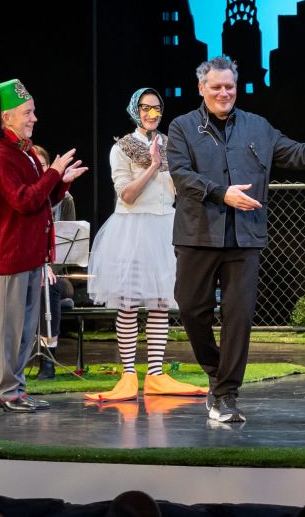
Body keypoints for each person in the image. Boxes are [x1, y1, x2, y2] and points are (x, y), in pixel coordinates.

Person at [167, 56, 305, 423]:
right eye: (216, 88)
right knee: (192, 309)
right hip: (197, 234)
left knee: (238, 316)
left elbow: (300, 154)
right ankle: (215, 374)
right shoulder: (182, 127)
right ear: (201, 89)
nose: (224, 93)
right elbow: (180, 174)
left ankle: (226, 394)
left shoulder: (257, 127)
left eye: (230, 87)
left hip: (246, 236)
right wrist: (220, 192)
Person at [85, 88, 207, 402]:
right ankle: (128, 374)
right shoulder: (123, 148)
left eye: (156, 107)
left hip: (165, 227)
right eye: (145, 107)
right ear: (134, 110)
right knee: (128, 303)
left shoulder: (171, 145)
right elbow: (126, 195)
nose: (151, 113)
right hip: (132, 228)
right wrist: (153, 166)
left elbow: (180, 188)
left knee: (159, 303)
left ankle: (155, 374)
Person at [0, 79, 87, 412]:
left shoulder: (22, 152)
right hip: (13, 251)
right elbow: (23, 200)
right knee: (10, 325)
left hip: (30, 252)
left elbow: (38, 199)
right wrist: (52, 173)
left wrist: (59, 184)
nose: (34, 118)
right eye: (27, 112)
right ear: (7, 116)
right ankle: (6, 389)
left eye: (33, 112)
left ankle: (17, 388)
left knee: (26, 325)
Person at [31, 144, 77, 380]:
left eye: (44, 165)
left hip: (58, 275)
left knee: (48, 285)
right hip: (31, 272)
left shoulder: (65, 198)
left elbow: (70, 243)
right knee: (38, 285)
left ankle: (47, 359)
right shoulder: (28, 195)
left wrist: (49, 267)